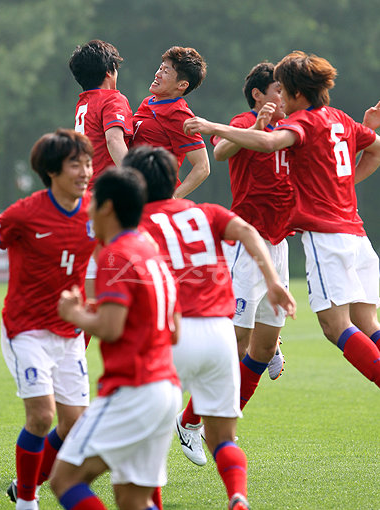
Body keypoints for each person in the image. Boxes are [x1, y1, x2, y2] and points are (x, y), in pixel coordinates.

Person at [184, 50, 380, 389]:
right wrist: (344, 180)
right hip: (355, 236)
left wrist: (210, 125)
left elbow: (270, 143)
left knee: (336, 327)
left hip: (325, 237)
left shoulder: (301, 122)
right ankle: (195, 419)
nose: (281, 98)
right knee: (368, 324)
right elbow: (375, 148)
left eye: (284, 90)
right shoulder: (341, 119)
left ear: (296, 94)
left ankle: (197, 410)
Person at [123, 145, 296, 510]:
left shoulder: (134, 224)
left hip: (172, 338)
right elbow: (248, 233)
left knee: (143, 444)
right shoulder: (206, 213)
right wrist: (273, 280)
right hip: (219, 338)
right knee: (225, 439)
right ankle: (237, 497)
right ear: (172, 181)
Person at [0, 129, 96, 510]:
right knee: (42, 416)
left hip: (69, 330)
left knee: (74, 423)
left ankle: (24, 484)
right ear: (52, 172)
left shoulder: (95, 209)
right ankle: (27, 501)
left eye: (88, 163)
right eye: (75, 164)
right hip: (26, 329)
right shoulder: (25, 213)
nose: (86, 171)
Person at [49, 167, 182, 510]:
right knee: (132, 500)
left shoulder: (113, 255)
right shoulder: (152, 251)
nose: (88, 209)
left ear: (106, 207)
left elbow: (110, 328)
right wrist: (95, 306)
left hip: (132, 389)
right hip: (165, 389)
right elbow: (173, 327)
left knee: (64, 479)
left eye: (92, 201)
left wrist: (74, 315)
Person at [213, 62, 295, 408]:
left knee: (261, 343)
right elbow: (219, 151)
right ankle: (204, 415)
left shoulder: (291, 128)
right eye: (278, 89)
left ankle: (228, 414)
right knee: (238, 340)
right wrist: (258, 127)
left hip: (280, 241)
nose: (283, 95)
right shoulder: (242, 122)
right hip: (249, 239)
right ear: (258, 94)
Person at [69, 38, 134, 299]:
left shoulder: (84, 103)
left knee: (88, 288)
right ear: (109, 72)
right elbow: (114, 140)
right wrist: (136, 180)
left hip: (84, 199)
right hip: (108, 200)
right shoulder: (113, 99)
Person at [132, 46, 210, 198]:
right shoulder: (148, 102)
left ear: (182, 85)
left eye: (166, 72)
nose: (157, 74)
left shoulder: (178, 113)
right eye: (160, 68)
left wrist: (173, 198)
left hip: (155, 197)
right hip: (134, 190)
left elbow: (203, 167)